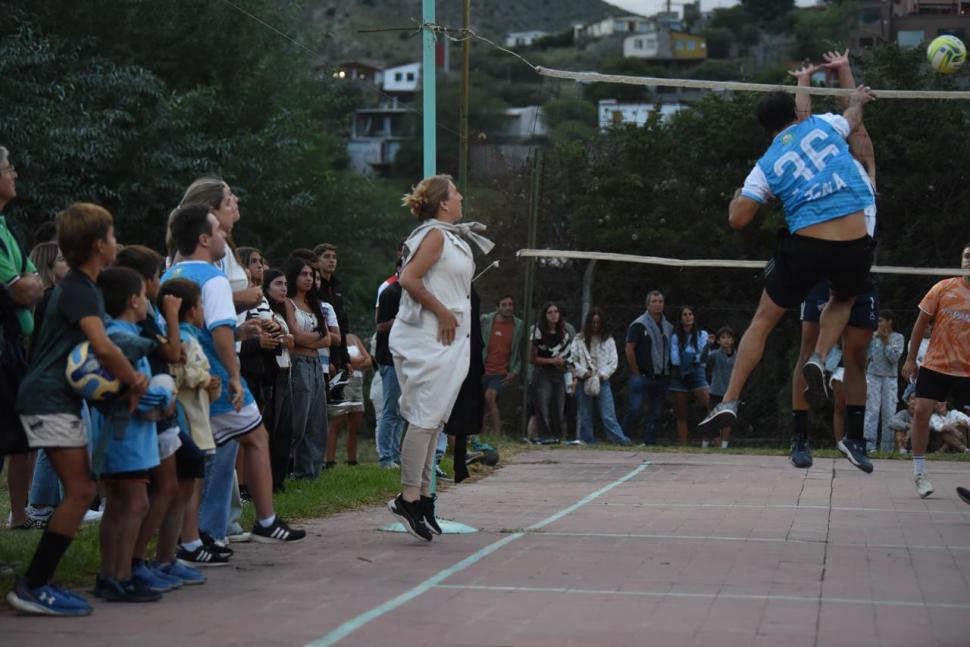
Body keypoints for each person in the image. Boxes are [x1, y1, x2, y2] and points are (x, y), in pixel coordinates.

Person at [699, 74, 877, 475]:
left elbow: (738, 219)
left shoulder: (767, 163)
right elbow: (851, 114)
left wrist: (743, 195)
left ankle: (729, 399)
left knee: (762, 321)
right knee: (844, 297)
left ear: (766, 128)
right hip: (853, 236)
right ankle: (818, 356)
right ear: (798, 113)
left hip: (808, 242)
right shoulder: (824, 124)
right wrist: (859, 99)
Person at [8, 203, 147, 616]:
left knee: (81, 489)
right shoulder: (80, 290)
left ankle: (38, 581)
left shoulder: (85, 286)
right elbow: (102, 346)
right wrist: (135, 380)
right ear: (98, 244)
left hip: (53, 397)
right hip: (47, 398)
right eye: (113, 236)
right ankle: (33, 585)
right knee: (82, 490)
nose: (116, 242)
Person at [163, 203, 305, 546]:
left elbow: (191, 329)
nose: (224, 235)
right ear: (202, 238)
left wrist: (243, 334)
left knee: (196, 462)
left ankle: (196, 538)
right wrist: (234, 374)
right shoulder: (213, 278)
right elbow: (220, 329)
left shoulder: (169, 275)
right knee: (256, 438)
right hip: (214, 379)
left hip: (183, 379)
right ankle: (265, 520)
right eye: (218, 230)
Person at [784, 51, 881, 472]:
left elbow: (854, 112)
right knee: (809, 352)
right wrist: (804, 79)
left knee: (857, 357)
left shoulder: (863, 165)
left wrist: (843, 69)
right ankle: (800, 438)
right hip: (823, 268)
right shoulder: (816, 170)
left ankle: (854, 440)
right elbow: (802, 124)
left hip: (858, 270)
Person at [387, 173, 492, 541]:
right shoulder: (433, 235)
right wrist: (444, 312)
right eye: (455, 193)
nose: (461, 196)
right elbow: (409, 280)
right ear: (443, 203)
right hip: (427, 335)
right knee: (424, 416)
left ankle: (426, 497)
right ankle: (408, 497)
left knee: (436, 420)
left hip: (449, 339)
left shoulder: (450, 236)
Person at [114, 245, 193, 592]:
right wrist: (173, 315)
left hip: (163, 404)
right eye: (158, 275)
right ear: (145, 281)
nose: (161, 282)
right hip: (151, 407)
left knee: (187, 469)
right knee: (157, 488)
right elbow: (173, 353)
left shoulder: (145, 313)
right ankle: (134, 563)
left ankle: (162, 559)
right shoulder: (140, 315)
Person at [89, 266, 170, 602]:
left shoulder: (115, 332)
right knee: (134, 502)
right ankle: (120, 574)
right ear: (134, 300)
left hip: (126, 435)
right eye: (143, 297)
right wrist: (165, 396)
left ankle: (111, 574)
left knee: (119, 505)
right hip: (125, 435)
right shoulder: (122, 338)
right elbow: (132, 387)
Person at [159, 278, 226, 568]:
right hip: (188, 420)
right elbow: (180, 371)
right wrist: (204, 378)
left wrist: (212, 386)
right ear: (190, 311)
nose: (204, 311)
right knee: (189, 483)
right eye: (200, 305)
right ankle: (188, 540)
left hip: (199, 417)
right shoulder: (180, 337)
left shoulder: (191, 336)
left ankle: (191, 536)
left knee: (195, 482)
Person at [901, 243, 970, 497]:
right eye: (966, 256)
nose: (969, 261)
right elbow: (920, 325)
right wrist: (910, 359)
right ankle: (920, 474)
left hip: (966, 369)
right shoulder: (943, 288)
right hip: (936, 364)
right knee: (921, 412)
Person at [0, 147, 44, 531]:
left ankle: (19, 513)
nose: (14, 175)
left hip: (15, 349)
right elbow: (19, 291)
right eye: (8, 169)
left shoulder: (7, 230)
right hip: (3, 347)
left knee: (22, 434)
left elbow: (34, 283)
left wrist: (27, 285)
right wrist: (26, 285)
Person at [282, 256, 331, 479]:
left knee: (317, 422)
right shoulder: (287, 303)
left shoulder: (315, 304)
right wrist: (313, 338)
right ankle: (281, 471)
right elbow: (295, 335)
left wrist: (307, 339)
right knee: (298, 422)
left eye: (311, 274)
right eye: (304, 274)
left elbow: (329, 338)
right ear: (293, 276)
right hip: (298, 363)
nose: (309, 278)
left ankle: (309, 474)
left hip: (315, 364)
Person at [570, 307, 631, 445]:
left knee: (608, 413)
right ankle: (587, 439)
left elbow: (613, 361)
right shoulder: (579, 339)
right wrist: (583, 372)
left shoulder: (608, 340)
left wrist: (603, 374)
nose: (595, 326)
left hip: (602, 380)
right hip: (584, 380)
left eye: (598, 323)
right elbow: (572, 360)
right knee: (585, 413)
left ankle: (619, 440)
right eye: (593, 323)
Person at [259, 268, 295, 491]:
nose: (284, 288)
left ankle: (279, 480)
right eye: (278, 284)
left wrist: (286, 339)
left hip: (286, 370)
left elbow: (290, 341)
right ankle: (267, 480)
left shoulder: (280, 313)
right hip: (270, 373)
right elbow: (281, 339)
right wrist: (285, 338)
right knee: (271, 427)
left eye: (285, 284)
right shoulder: (261, 312)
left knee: (284, 429)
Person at [623, 290, 673, 444]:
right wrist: (636, 372)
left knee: (656, 412)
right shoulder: (638, 324)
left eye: (660, 301)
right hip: (642, 375)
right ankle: (623, 437)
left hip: (661, 376)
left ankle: (649, 441)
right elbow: (629, 348)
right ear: (648, 305)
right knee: (635, 408)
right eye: (654, 302)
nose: (657, 305)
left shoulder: (668, 326)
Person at [325, 332, 372, 466]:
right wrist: (358, 361)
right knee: (338, 422)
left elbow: (369, 360)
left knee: (355, 422)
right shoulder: (336, 337)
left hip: (358, 382)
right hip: (344, 381)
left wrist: (355, 362)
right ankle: (330, 460)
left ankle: (352, 460)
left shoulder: (354, 337)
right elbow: (342, 360)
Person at [480, 295, 523, 436]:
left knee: (490, 396)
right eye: (504, 305)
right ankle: (481, 433)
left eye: (510, 304)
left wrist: (514, 371)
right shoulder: (486, 321)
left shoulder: (519, 326)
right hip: (482, 368)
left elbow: (523, 352)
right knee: (480, 402)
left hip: (500, 371)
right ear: (497, 307)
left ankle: (497, 433)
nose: (508, 308)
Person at [530, 302, 572, 442]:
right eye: (550, 312)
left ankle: (557, 435)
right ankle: (544, 435)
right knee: (543, 405)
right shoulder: (537, 332)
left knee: (558, 405)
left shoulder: (565, 334)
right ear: (545, 315)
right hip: (543, 372)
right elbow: (532, 358)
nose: (554, 315)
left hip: (559, 372)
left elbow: (568, 355)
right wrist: (551, 361)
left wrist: (563, 363)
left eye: (556, 312)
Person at [670, 305, 711, 446]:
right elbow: (674, 359)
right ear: (680, 319)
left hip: (696, 373)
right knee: (681, 414)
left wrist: (688, 357)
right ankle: (683, 445)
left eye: (690, 314)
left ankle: (716, 443)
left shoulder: (702, 335)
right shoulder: (675, 337)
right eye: (684, 315)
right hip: (679, 375)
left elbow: (703, 356)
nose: (688, 317)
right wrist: (691, 357)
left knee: (711, 407)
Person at [865, 310, 905, 452]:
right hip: (873, 376)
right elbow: (866, 358)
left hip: (890, 378)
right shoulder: (872, 337)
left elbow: (894, 359)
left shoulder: (898, 338)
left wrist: (886, 341)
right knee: (872, 411)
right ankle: (869, 446)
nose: (878, 323)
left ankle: (887, 448)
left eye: (881, 320)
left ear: (890, 321)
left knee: (889, 412)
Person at [375, 277, 404, 468]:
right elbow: (380, 325)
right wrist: (400, 320)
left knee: (402, 411)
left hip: (405, 359)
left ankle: (396, 455)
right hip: (389, 359)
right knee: (390, 410)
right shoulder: (390, 293)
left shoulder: (411, 293)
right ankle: (385, 458)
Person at [705, 326, 736, 448]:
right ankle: (716, 445)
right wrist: (708, 345)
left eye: (729, 337)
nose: (726, 340)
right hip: (715, 392)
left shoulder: (737, 356)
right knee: (713, 420)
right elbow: (705, 366)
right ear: (718, 341)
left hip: (730, 393)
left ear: (733, 340)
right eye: (723, 337)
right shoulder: (714, 355)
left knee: (727, 421)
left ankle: (724, 446)